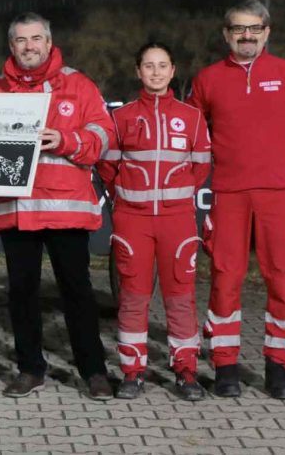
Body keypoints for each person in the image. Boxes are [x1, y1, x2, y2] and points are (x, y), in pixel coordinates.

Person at [189, 0, 285, 399]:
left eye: (254, 28)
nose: (246, 35)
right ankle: (225, 365)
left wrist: (282, 141)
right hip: (228, 192)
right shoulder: (207, 79)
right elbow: (196, 133)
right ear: (226, 34)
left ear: (267, 32)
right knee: (225, 278)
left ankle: (278, 366)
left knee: (281, 278)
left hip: (278, 192)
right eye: (238, 29)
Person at [0, 12, 114, 400]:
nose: (29, 46)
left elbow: (103, 138)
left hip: (66, 207)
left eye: (36, 39)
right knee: (21, 293)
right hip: (17, 208)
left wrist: (64, 139)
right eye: (21, 40)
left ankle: (94, 371)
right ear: (12, 46)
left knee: (77, 291)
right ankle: (30, 369)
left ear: (49, 41)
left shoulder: (78, 84)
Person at [97, 42, 211, 401]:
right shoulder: (121, 117)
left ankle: (186, 371)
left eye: (163, 65)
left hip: (177, 222)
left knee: (181, 297)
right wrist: (128, 197)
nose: (156, 72)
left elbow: (200, 167)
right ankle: (132, 372)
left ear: (173, 71)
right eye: (149, 66)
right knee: (133, 298)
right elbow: (107, 166)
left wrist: (173, 198)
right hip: (133, 222)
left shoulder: (192, 117)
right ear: (138, 71)